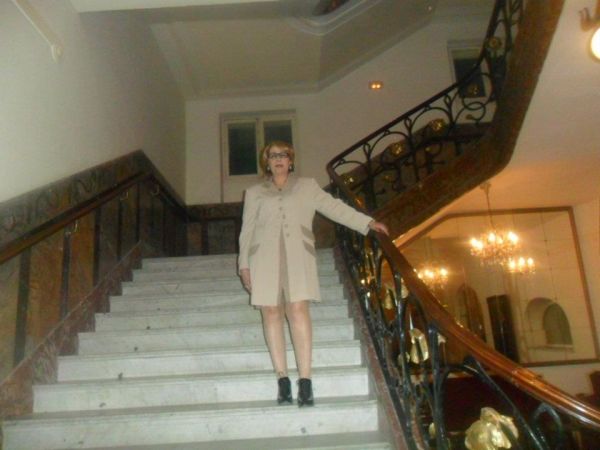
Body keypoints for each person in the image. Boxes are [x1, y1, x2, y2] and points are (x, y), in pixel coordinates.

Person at [238, 141, 388, 407]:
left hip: (299, 255)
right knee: (271, 312)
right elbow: (247, 230)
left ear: (291, 160)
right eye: (273, 156)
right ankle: (282, 380)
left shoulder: (307, 186)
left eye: (283, 155)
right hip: (263, 258)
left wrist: (367, 223)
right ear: (267, 162)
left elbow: (335, 207)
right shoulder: (254, 192)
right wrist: (243, 264)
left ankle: (305, 381)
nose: (278, 159)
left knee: (298, 309)